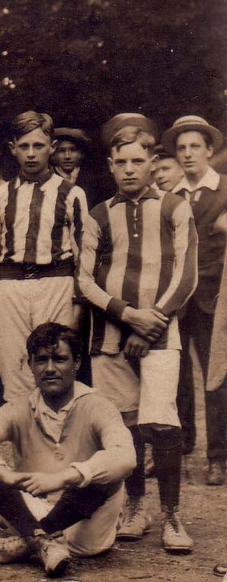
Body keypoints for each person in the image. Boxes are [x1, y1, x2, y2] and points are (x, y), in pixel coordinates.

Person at [76, 121, 196, 553]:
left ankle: (172, 516)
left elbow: (186, 274)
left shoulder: (174, 207)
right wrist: (128, 316)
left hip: (161, 335)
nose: (129, 169)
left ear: (152, 163)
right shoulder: (97, 215)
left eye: (138, 161)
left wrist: (153, 322)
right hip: (110, 336)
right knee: (123, 425)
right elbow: (84, 280)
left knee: (161, 421)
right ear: (110, 165)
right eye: (121, 162)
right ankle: (135, 507)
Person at [0, 323, 136, 578]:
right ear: (30, 365)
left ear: (76, 362)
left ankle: (29, 542)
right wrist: (2, 473)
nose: (50, 368)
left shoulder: (98, 405)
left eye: (59, 359)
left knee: (105, 471)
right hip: (31, 512)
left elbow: (126, 458)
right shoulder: (19, 407)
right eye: (41, 360)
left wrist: (62, 477)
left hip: (86, 526)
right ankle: (43, 542)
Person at [0, 111, 89, 404]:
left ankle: (58, 431)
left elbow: (83, 257)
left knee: (55, 364)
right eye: (24, 146)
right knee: (15, 369)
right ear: (13, 148)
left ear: (52, 147)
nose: (32, 154)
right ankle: (24, 431)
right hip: (11, 288)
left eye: (38, 145)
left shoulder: (72, 194)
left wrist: (77, 310)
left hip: (56, 284)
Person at [164, 115, 227, 485]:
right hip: (177, 297)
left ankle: (218, 456)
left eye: (195, 147)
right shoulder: (171, 195)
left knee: (215, 376)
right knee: (175, 375)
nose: (187, 154)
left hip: (213, 297)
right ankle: (181, 445)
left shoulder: (224, 189)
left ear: (209, 150)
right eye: (182, 148)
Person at [51, 127, 111, 208]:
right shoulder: (47, 179)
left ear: (81, 154)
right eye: (61, 151)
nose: (67, 156)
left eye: (73, 150)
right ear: (53, 155)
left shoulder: (94, 182)